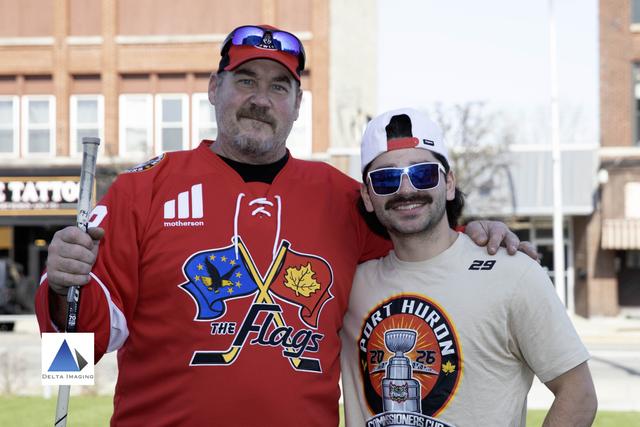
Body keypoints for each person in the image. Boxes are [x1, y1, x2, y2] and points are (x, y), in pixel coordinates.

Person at [37, 25, 531, 426]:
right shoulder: (143, 191)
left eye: (279, 87)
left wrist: (481, 237)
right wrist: (61, 289)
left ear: (297, 105)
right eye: (245, 80)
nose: (261, 99)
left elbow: (425, 252)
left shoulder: (345, 199)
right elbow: (72, 360)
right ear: (213, 89)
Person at [340, 108, 598, 427]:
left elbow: (578, 394)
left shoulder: (512, 273)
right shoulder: (350, 287)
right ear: (367, 196)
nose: (405, 190)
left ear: (448, 183)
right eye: (385, 179)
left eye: (423, 174)